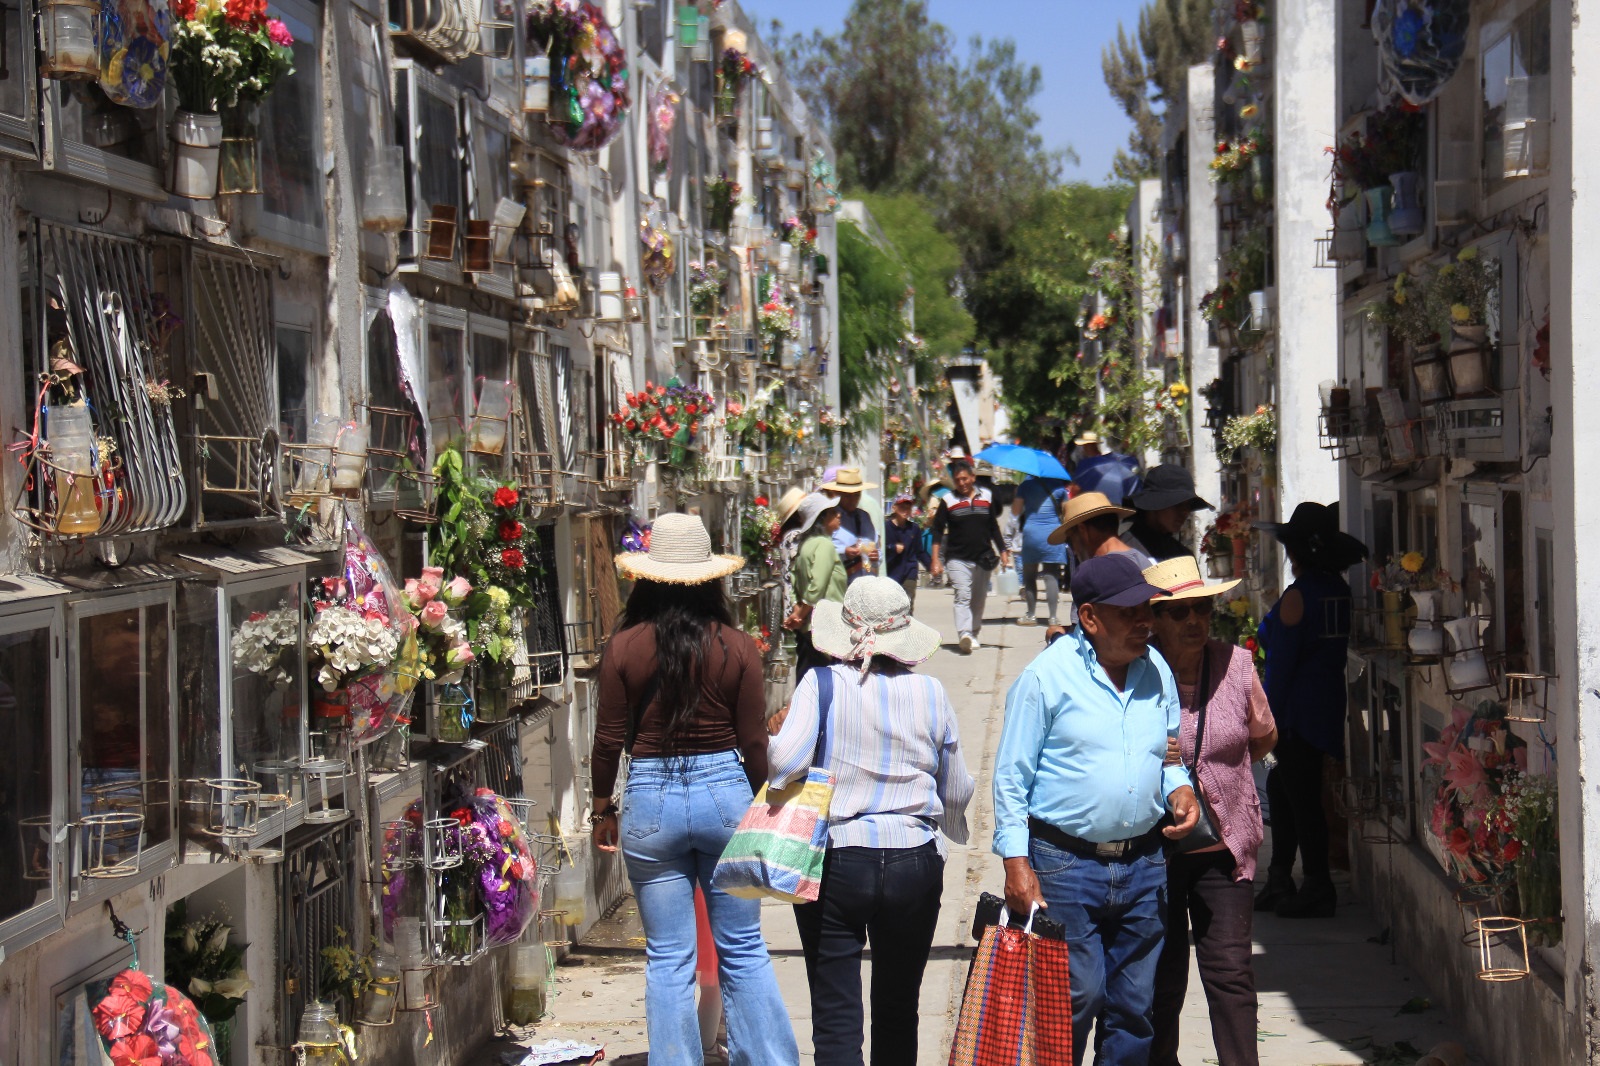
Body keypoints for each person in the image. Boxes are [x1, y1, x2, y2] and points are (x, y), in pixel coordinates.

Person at [590, 513, 799, 1066]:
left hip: (650, 799)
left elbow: (608, 740)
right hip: (726, 794)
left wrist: (600, 809)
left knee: (667, 957)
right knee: (744, 949)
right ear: (711, 579)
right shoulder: (737, 645)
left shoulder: (624, 646)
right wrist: (768, 807)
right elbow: (755, 743)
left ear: (647, 577)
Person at [993, 553, 1200, 1066]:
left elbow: (1169, 755)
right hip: (1065, 865)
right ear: (1090, 617)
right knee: (1074, 997)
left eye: (1147, 609)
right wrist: (1016, 863)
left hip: (1145, 865)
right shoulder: (1045, 679)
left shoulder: (1156, 671)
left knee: (1134, 1006)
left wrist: (1181, 790)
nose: (1145, 622)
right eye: (1129, 612)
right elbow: (1011, 777)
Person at [769, 577, 975, 1066]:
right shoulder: (931, 691)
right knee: (899, 1004)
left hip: (838, 858)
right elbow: (958, 788)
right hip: (915, 860)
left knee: (836, 1005)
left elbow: (783, 764)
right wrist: (943, 826)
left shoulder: (821, 684)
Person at [1143, 556, 1278, 1066]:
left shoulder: (1236, 666)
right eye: (1180, 613)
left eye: (1201, 608)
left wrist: (1221, 779)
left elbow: (1263, 736)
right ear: (1155, 618)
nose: (1194, 621)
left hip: (1224, 847)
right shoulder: (1136, 671)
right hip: (1154, 851)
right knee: (1162, 976)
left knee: (1230, 973)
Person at [1253, 502, 1367, 919]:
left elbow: (1281, 665)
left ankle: (1317, 883)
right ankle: (1280, 876)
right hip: (1325, 703)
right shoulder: (1337, 589)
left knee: (1300, 799)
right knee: (1285, 794)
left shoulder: (1299, 595)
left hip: (1296, 713)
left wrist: (1265, 721)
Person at [929, 459, 1011, 654]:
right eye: (958, 480)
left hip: (982, 558)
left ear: (973, 478)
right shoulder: (948, 501)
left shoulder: (987, 497)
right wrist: (935, 559)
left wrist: (1003, 551)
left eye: (965, 479)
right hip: (957, 558)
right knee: (962, 595)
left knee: (979, 599)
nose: (962, 483)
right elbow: (937, 531)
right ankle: (964, 633)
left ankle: (973, 632)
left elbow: (993, 527)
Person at [784, 492, 848, 679]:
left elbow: (794, 580)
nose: (838, 515)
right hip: (826, 627)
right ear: (822, 519)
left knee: (808, 680)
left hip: (810, 627)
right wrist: (800, 614)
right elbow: (817, 588)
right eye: (832, 512)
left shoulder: (806, 545)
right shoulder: (824, 546)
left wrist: (798, 612)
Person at [1013, 474, 1071, 627]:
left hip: (1032, 533)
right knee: (1051, 575)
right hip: (1052, 533)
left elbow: (1015, 510)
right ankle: (1052, 617)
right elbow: (1067, 510)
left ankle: (1031, 615)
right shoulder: (1059, 486)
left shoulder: (1025, 485)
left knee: (1029, 576)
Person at [1124, 465, 1214, 563]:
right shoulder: (1124, 552)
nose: (1185, 512)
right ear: (1154, 504)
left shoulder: (1183, 556)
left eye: (1188, 505)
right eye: (1177, 504)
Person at [821, 467, 881, 581]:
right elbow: (823, 551)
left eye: (857, 495)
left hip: (867, 582)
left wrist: (876, 556)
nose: (853, 500)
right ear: (839, 494)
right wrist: (844, 552)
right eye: (848, 495)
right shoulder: (830, 518)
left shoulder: (865, 517)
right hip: (842, 584)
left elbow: (876, 546)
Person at [884, 492, 931, 609]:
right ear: (894, 508)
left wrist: (931, 566)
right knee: (892, 608)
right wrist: (893, 547)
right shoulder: (886, 527)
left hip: (909, 572)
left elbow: (920, 551)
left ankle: (908, 625)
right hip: (891, 573)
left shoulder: (914, 528)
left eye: (908, 507)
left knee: (907, 605)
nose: (905, 510)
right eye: (902, 507)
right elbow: (880, 548)